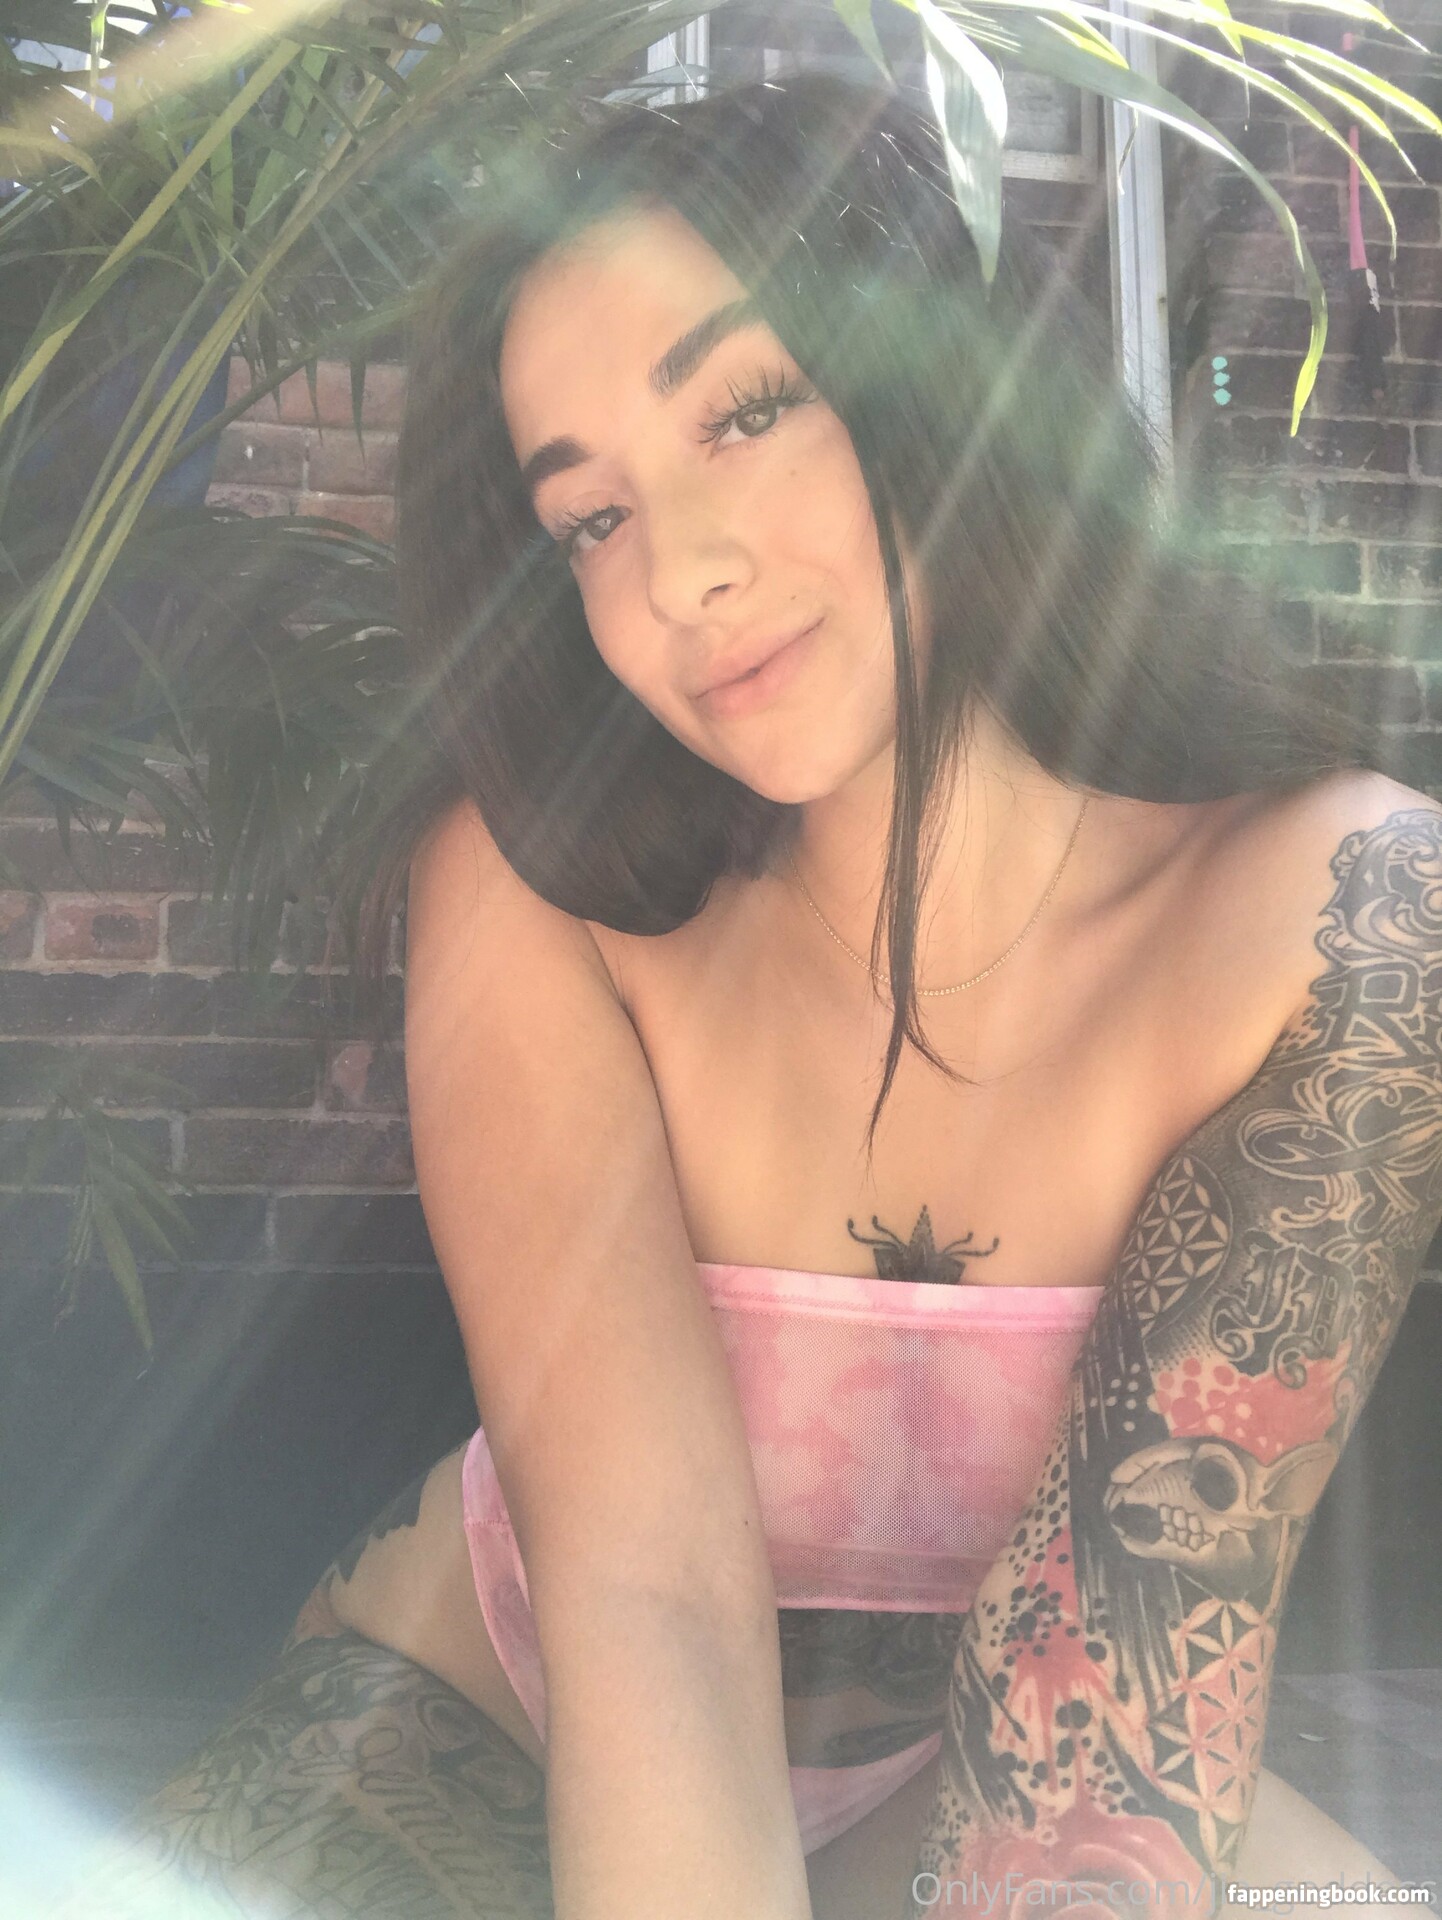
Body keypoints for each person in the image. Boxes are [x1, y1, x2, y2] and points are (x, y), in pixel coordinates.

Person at [58, 72, 1442, 1920]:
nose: (684, 575)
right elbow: (644, 1595)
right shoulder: (536, 896)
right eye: (589, 520)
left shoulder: (1345, 913)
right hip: (495, 1710)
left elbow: (1111, 1682)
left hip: (1003, 1754)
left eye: (745, 409)